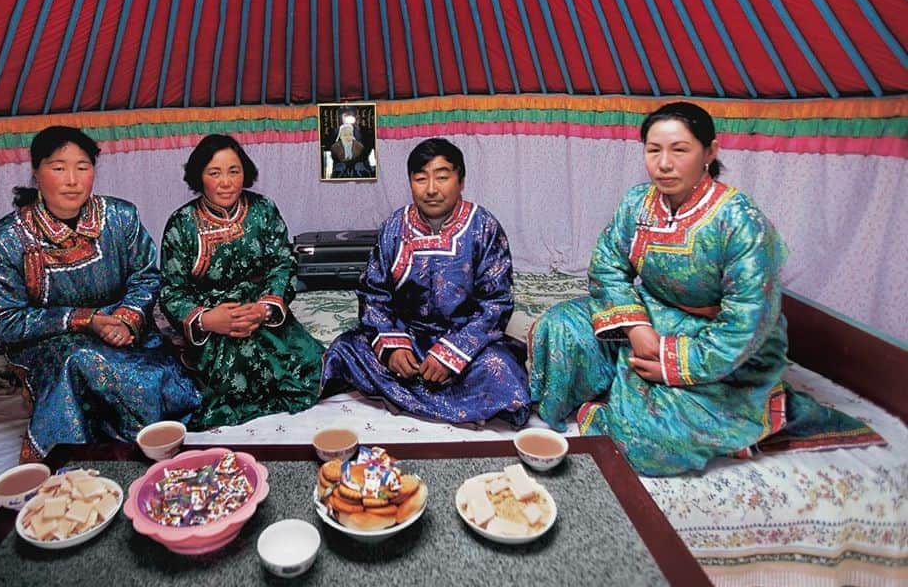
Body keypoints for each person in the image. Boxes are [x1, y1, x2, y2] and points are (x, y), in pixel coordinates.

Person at [528, 102, 883, 476]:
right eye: (653, 150)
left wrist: (671, 360)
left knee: (653, 440)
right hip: (646, 317)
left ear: (709, 152)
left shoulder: (740, 221)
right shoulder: (637, 202)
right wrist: (637, 328)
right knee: (559, 326)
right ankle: (622, 383)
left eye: (679, 150)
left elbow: (747, 323)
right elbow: (607, 266)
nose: (664, 163)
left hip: (712, 339)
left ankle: (753, 410)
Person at [0, 126, 201, 461]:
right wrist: (86, 320)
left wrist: (126, 321)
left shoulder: (120, 217)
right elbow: (6, 320)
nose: (72, 179)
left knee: (162, 377)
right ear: (36, 173)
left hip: (124, 329)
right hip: (53, 339)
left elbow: (146, 276)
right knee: (80, 360)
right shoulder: (4, 241)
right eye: (58, 168)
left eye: (82, 167)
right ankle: (68, 458)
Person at [320, 137, 531, 425]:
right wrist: (393, 346)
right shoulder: (395, 226)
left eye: (442, 177)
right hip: (409, 338)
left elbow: (496, 304)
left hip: (464, 343)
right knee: (344, 349)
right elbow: (373, 293)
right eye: (421, 179)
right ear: (410, 182)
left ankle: (403, 394)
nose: (431, 189)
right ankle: (432, 392)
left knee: (501, 370)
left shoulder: (484, 226)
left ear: (461, 181)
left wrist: (453, 354)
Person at [159, 134, 324, 427]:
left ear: (244, 173)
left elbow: (283, 262)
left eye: (233, 171)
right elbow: (172, 291)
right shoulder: (181, 224)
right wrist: (208, 320)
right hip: (214, 321)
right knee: (228, 379)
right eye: (214, 172)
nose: (226, 182)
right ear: (200, 176)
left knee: (312, 364)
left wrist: (265, 308)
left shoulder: (264, 210)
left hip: (260, 310)